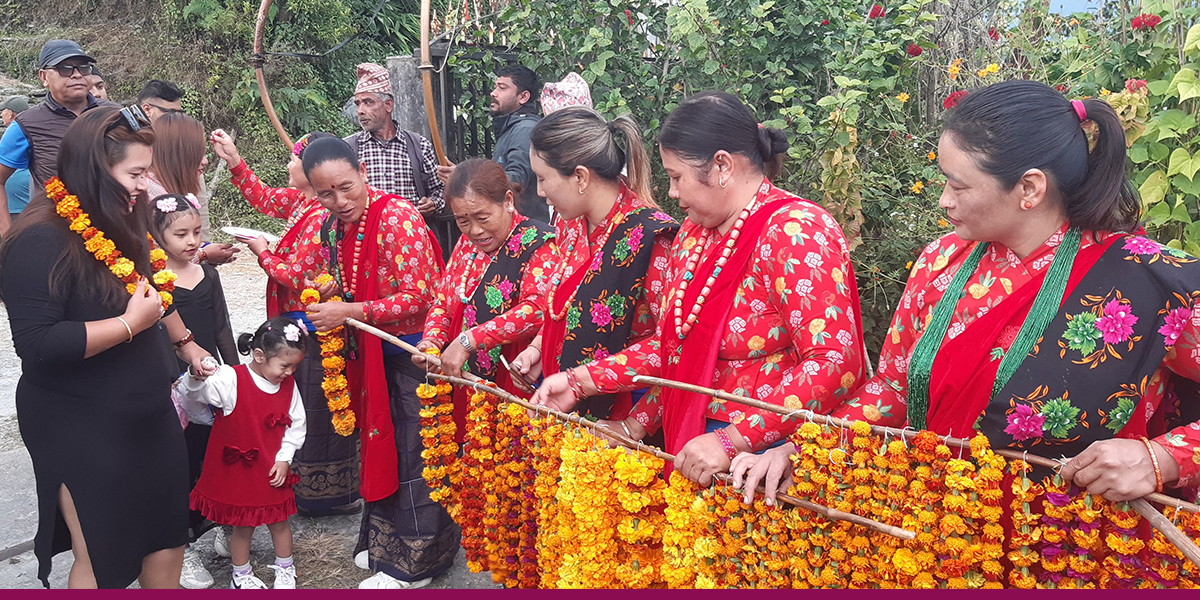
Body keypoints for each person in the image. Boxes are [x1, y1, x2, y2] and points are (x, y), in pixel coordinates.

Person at [734, 81, 1200, 512]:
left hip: (1074, 548)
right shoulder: (943, 261)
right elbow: (896, 386)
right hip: (940, 525)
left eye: (958, 185)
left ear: (1030, 188)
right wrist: (806, 448)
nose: (943, 200)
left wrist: (1163, 457)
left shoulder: (1147, 280)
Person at [531, 92, 867, 489]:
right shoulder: (694, 234)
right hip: (695, 447)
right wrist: (585, 386)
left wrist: (733, 439)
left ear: (722, 165)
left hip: (761, 463)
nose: (672, 193)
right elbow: (674, 347)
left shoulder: (795, 230)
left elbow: (834, 361)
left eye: (676, 177)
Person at [0, 105, 216, 588]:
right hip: (82, 424)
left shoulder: (120, 222)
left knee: (166, 539)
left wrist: (184, 343)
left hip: (149, 415)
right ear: (96, 168)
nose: (145, 185)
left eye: (147, 171)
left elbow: (153, 294)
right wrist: (127, 324)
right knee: (104, 555)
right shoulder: (39, 239)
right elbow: (37, 344)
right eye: (135, 173)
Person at [299, 137, 456, 589]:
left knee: (415, 455)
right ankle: (387, 545)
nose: (340, 201)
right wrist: (329, 293)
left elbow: (422, 297)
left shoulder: (398, 217)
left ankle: (417, 564)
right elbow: (341, 281)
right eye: (326, 194)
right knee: (382, 447)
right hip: (371, 357)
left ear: (364, 171)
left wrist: (347, 311)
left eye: (346, 187)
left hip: (412, 355)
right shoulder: (333, 225)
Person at [211, 128, 362, 517]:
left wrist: (264, 255)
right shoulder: (302, 202)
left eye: (295, 159)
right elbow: (262, 197)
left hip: (311, 324)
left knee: (312, 400)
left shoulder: (320, 214)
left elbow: (301, 277)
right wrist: (233, 159)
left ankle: (325, 494)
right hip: (296, 320)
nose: (289, 165)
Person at [514, 107, 679, 420]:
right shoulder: (570, 224)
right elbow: (561, 304)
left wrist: (635, 426)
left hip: (619, 422)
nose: (539, 192)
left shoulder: (654, 238)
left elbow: (673, 348)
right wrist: (537, 348)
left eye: (542, 179)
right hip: (562, 401)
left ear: (579, 176)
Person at [413, 158, 557, 433]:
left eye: (482, 217)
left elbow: (537, 307)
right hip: (466, 377)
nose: (475, 231)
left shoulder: (539, 242)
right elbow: (444, 300)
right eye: (462, 220)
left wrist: (469, 340)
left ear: (507, 201)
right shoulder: (467, 244)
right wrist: (431, 340)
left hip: (516, 373)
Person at [148, 192, 238, 588]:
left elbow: (221, 327)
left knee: (215, 456)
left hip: (212, 380)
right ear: (157, 236)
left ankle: (219, 523)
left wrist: (236, 373)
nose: (190, 241)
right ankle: (182, 546)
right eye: (180, 234)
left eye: (197, 232)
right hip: (177, 387)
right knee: (181, 465)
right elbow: (159, 340)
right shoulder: (154, 281)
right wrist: (177, 380)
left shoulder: (209, 274)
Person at [181, 316, 307, 589]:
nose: (289, 373)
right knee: (243, 525)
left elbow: (297, 424)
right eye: (285, 366)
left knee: (280, 521)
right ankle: (241, 574)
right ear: (259, 355)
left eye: (295, 366)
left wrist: (285, 457)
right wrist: (194, 376)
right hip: (240, 470)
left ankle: (285, 568)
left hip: (272, 467)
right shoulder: (230, 379)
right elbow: (195, 396)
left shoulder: (288, 385)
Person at [0, 39, 118, 236]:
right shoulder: (27, 124)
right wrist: (7, 237)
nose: (77, 75)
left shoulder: (116, 115)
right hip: (55, 234)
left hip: (115, 229)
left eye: (84, 68)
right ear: (44, 77)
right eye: (65, 69)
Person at [437, 65, 548, 223]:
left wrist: (465, 178)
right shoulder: (513, 128)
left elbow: (517, 179)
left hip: (525, 228)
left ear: (523, 97)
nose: (493, 93)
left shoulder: (525, 129)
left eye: (502, 88)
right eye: (495, 87)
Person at [344, 63, 443, 219]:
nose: (360, 111)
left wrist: (433, 203)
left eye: (368, 102)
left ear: (388, 105)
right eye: (358, 103)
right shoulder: (348, 149)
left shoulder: (419, 145)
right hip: (364, 238)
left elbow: (439, 189)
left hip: (410, 238)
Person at [147, 112, 237, 265]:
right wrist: (202, 255)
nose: (205, 161)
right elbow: (155, 261)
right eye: (198, 155)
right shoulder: (151, 197)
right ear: (178, 157)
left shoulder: (164, 188)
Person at [1, 96, 31, 225]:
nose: (2, 114)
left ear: (10, 113)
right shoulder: (31, 128)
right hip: (20, 199)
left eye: (3, 111)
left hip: (17, 203)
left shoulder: (17, 129)